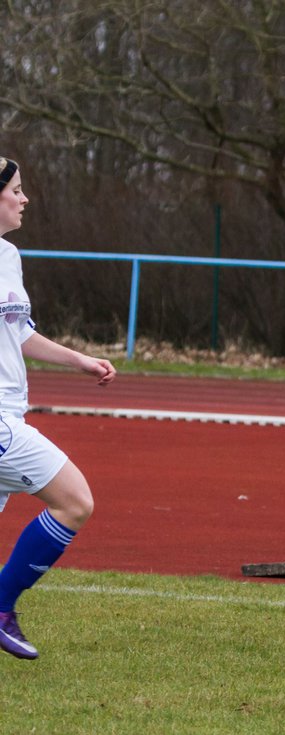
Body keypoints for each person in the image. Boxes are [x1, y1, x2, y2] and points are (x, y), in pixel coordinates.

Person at [0, 156, 116, 660]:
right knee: (75, 501)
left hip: (11, 412)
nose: (25, 199)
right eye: (17, 190)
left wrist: (78, 360)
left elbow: (19, 332)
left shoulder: (9, 256)